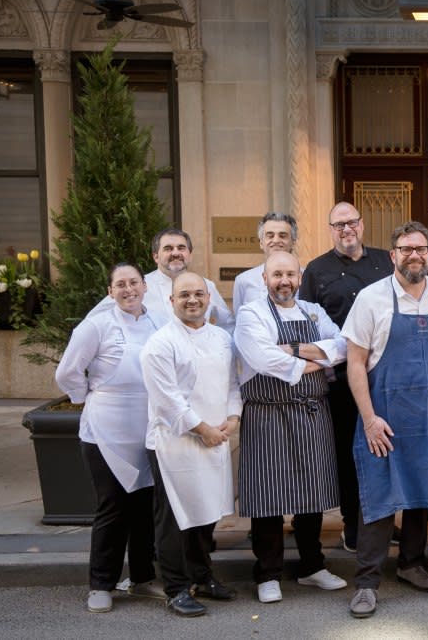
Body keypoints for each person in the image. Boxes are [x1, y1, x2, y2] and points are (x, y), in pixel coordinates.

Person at [341, 221, 428, 618]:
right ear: (393, 255)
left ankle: (411, 564)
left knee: (421, 492)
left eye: (421, 249)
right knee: (379, 499)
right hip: (384, 419)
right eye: (406, 249)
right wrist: (369, 418)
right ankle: (367, 583)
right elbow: (355, 363)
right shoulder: (371, 298)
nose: (414, 255)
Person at [233, 251, 348, 604]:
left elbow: (343, 345)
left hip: (312, 412)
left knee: (312, 492)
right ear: (264, 279)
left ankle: (313, 566)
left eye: (291, 274)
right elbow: (264, 358)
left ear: (300, 277)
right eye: (277, 274)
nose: (284, 281)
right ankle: (267, 573)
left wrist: (297, 349)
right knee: (268, 495)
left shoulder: (313, 310)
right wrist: (318, 357)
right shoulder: (251, 313)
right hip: (267, 413)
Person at [55, 263, 167, 613]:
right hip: (106, 431)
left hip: (147, 428)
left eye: (134, 282)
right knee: (112, 506)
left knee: (144, 509)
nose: (128, 289)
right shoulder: (96, 325)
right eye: (120, 284)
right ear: (110, 292)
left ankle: (142, 578)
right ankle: (100, 583)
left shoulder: (158, 323)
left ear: (145, 286)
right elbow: (67, 371)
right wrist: (87, 395)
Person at [140, 271, 242, 617]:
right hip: (175, 444)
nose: (193, 300)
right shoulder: (160, 343)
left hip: (215, 437)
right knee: (174, 518)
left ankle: (202, 576)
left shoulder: (221, 338)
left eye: (199, 293)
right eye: (184, 295)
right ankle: (176, 588)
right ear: (171, 301)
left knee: (206, 512)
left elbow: (232, 383)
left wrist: (233, 417)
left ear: (209, 298)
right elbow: (167, 400)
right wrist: (202, 429)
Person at [300, 202, 394, 554]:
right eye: (338, 225)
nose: (346, 230)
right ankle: (352, 526)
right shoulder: (316, 270)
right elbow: (307, 322)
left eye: (351, 222)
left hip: (384, 376)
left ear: (363, 224)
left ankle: (384, 523)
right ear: (330, 230)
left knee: (385, 450)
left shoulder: (387, 261)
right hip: (339, 380)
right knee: (349, 455)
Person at [92, 228, 234, 331]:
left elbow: (228, 324)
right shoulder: (138, 287)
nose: (176, 253)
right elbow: (94, 321)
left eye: (181, 248)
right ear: (156, 257)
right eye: (168, 248)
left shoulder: (206, 285)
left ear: (189, 255)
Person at [232, 212, 298, 312]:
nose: (276, 240)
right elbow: (239, 321)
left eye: (283, 236)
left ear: (293, 242)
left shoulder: (307, 276)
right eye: (270, 236)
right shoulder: (243, 280)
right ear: (261, 243)